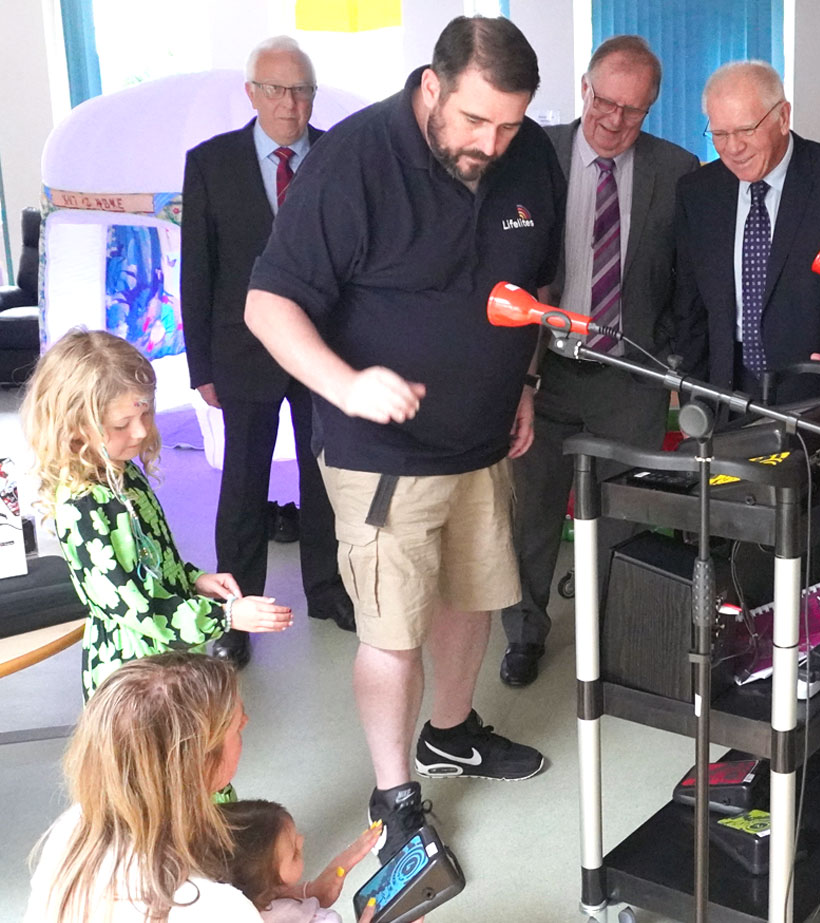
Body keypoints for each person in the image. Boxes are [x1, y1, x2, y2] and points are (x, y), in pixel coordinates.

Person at [243, 15, 563, 863]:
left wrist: (524, 383)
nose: (491, 142)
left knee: (472, 594)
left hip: (486, 438)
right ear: (433, 85)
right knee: (393, 627)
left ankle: (451, 731)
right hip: (382, 456)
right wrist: (345, 383)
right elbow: (267, 303)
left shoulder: (526, 152)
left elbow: (531, 288)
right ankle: (394, 795)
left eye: (509, 123)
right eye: (473, 121)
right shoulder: (353, 162)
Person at [499, 35, 700, 687]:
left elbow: (685, 279)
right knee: (530, 514)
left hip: (629, 378)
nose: (615, 122)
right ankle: (525, 632)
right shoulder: (534, 153)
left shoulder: (679, 169)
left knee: (623, 518)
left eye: (633, 111)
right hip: (543, 373)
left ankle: (615, 642)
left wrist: (669, 358)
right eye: (606, 102)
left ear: (652, 111)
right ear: (584, 87)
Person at [181, 36, 354, 672]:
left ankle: (327, 590)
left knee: (324, 478)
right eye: (277, 89)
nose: (291, 103)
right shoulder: (211, 163)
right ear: (252, 92)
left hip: (323, 347)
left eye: (302, 90)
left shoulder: (340, 153)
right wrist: (201, 366)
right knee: (244, 484)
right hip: (242, 351)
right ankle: (237, 610)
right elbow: (196, 270)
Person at [19, 330, 290, 700]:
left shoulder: (123, 469)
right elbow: (139, 607)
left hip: (170, 659)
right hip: (134, 680)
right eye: (121, 425)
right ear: (74, 426)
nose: (142, 431)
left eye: (145, 412)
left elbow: (153, 559)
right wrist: (225, 617)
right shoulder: (82, 509)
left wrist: (194, 579)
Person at [672, 60, 820, 403]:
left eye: (745, 130)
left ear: (783, 118)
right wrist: (693, 400)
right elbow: (690, 309)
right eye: (720, 134)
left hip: (819, 393)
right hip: (725, 395)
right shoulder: (697, 192)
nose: (733, 147)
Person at [23, 653, 258, 922]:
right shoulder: (214, 909)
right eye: (236, 727)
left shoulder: (71, 830)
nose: (246, 722)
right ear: (198, 765)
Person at [218, 800, 380, 922]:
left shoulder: (258, 899)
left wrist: (308, 894)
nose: (301, 840)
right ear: (263, 885)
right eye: (294, 854)